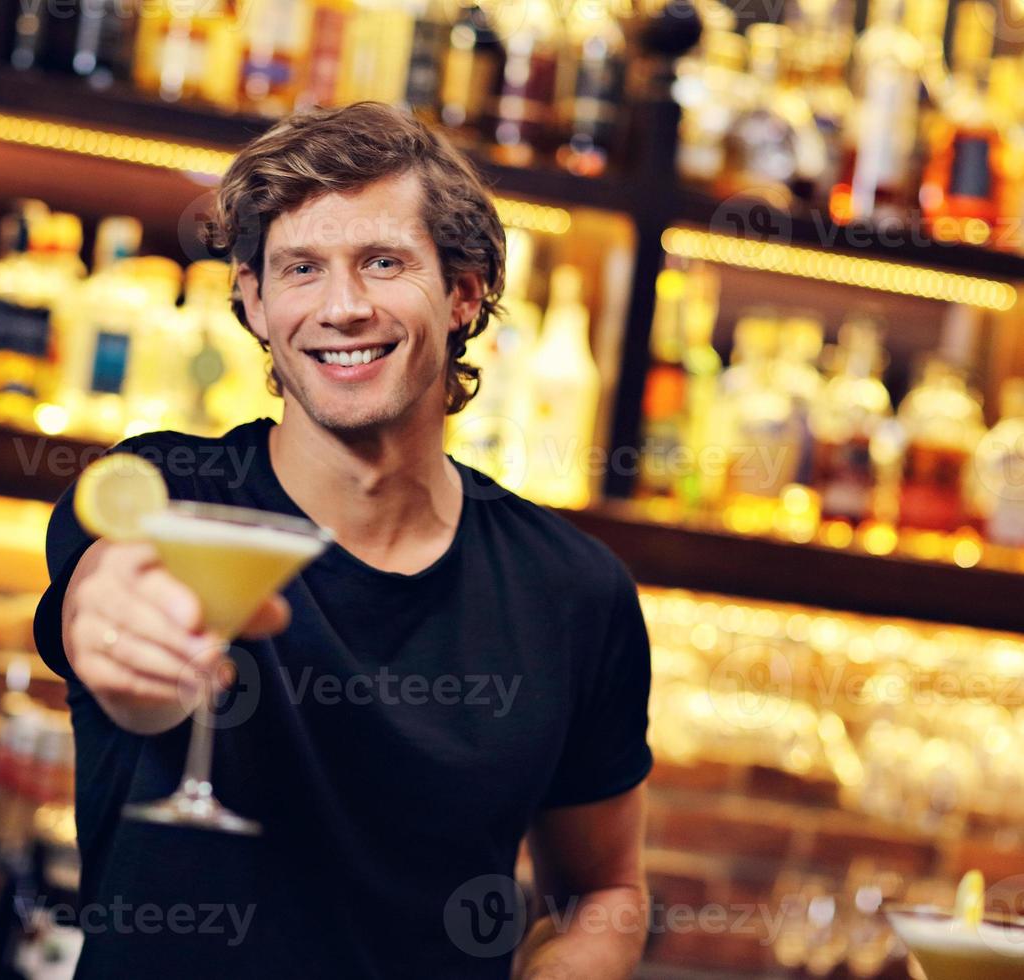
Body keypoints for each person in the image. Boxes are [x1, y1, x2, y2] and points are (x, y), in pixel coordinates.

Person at [35, 101, 652, 978]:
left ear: (464, 293)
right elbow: (105, 604)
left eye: (383, 262)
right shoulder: (164, 501)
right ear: (252, 301)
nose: (342, 307)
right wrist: (123, 642)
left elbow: (601, 892)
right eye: (299, 269)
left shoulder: (575, 591)